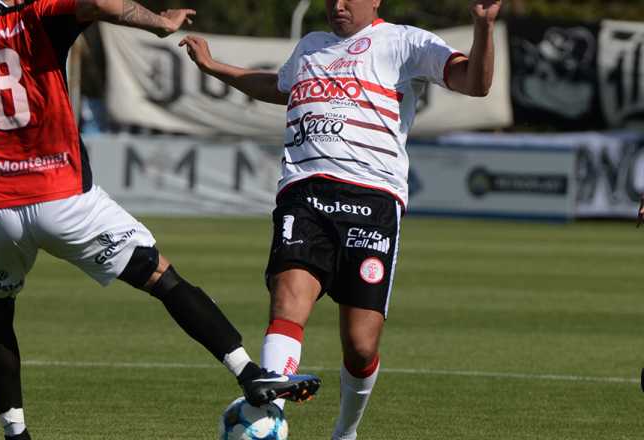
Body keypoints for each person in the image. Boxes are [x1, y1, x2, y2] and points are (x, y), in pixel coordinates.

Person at [0, 1, 321, 439]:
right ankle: (248, 373)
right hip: (64, 200)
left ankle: (15, 432)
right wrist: (159, 21)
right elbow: (99, 4)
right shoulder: (38, 14)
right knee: (162, 278)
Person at [179, 0, 502, 438]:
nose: (337, 4)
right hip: (305, 191)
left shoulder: (406, 42)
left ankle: (345, 431)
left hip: (372, 199)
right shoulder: (312, 45)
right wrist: (215, 67)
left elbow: (476, 84)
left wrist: (483, 27)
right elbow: (280, 87)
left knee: (360, 343)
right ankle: (268, 412)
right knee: (288, 297)